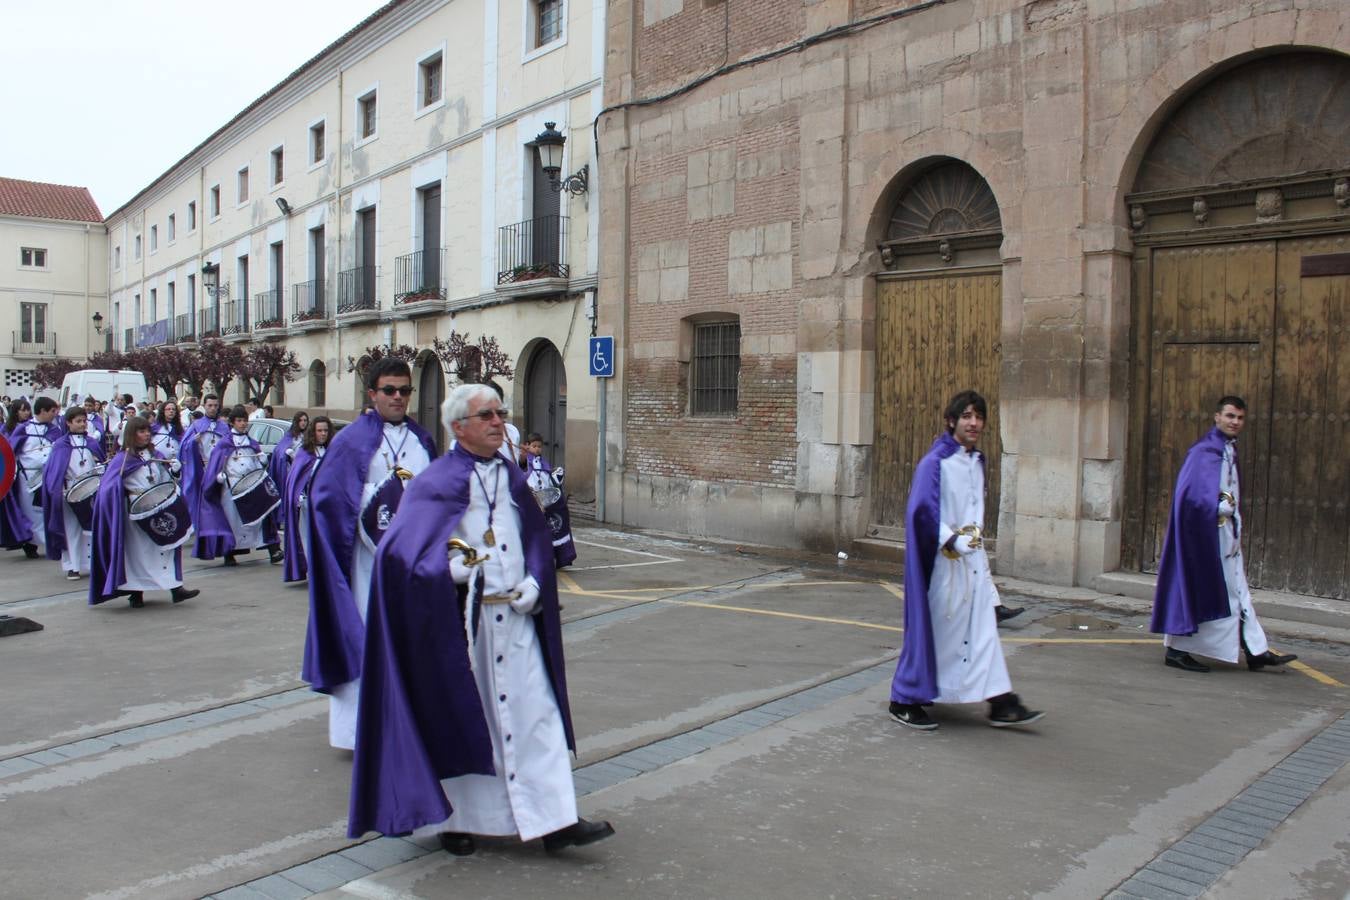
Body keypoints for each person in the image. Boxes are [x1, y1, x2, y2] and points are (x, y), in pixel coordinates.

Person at [348, 382, 614, 855]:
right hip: (462, 630)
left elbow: (535, 537)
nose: (498, 422)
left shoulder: (511, 475)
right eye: (486, 415)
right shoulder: (435, 481)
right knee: (466, 721)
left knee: (538, 717)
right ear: (458, 427)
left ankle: (555, 820)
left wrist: (536, 579)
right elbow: (400, 554)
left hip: (515, 622)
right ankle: (456, 820)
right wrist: (451, 570)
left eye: (499, 413)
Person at [888, 390, 1044, 731]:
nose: (974, 423)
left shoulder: (976, 461)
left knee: (983, 631)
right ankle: (903, 697)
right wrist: (952, 539)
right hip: (945, 564)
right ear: (952, 421)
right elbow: (922, 510)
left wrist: (973, 542)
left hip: (972, 562)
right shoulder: (935, 462)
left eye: (979, 416)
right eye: (967, 416)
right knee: (939, 634)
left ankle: (1002, 702)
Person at [303, 358, 437, 750]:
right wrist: (379, 499)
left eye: (405, 390)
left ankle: (409, 725)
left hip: (412, 561)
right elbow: (326, 498)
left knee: (409, 641)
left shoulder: (422, 439)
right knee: (365, 638)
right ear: (372, 394)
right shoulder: (351, 440)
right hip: (366, 561)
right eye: (390, 390)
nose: (399, 397)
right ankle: (358, 731)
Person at [1150, 396, 1298, 674]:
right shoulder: (1204, 451)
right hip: (1206, 536)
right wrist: (1219, 506)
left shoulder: (1227, 451)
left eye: (1240, 418)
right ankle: (1177, 650)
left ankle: (1255, 650)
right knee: (1212, 590)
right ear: (1217, 417)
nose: (1235, 422)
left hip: (1224, 535)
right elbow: (1190, 497)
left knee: (1239, 592)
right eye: (1230, 416)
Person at [88, 416, 198, 608]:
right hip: (136, 515)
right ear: (132, 434)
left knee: (168, 548)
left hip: (160, 508)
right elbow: (107, 488)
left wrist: (175, 471)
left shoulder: (156, 454)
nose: (146, 434)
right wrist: (119, 491)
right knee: (137, 555)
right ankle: (136, 593)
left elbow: (166, 478)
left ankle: (176, 588)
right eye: (141, 431)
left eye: (148, 430)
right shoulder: (122, 460)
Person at [198, 405, 283, 566]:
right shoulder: (224, 444)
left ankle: (274, 550)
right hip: (231, 487)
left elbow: (259, 464)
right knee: (233, 522)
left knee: (263, 516)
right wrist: (219, 477)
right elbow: (215, 466)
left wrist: (263, 461)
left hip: (252, 486)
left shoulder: (253, 443)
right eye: (239, 421)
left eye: (245, 420)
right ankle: (229, 553)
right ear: (232, 423)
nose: (243, 424)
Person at [42, 407, 107, 579]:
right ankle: (73, 565)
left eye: (84, 421)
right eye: (78, 421)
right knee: (71, 530)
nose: (82, 424)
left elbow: (101, 463)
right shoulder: (60, 445)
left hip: (91, 491)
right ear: (68, 423)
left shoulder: (92, 442)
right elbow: (54, 471)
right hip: (68, 493)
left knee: (92, 530)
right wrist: (58, 490)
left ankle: (94, 564)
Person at [5, 397, 62, 558]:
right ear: (43, 411)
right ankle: (30, 543)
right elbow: (11, 453)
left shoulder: (54, 430)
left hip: (48, 476)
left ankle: (51, 542)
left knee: (47, 510)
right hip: (26, 477)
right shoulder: (23, 429)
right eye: (52, 411)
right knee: (30, 511)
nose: (55, 414)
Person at [282, 416, 330, 583]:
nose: (323, 434)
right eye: (319, 430)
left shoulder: (332, 451)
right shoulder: (304, 453)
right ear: (313, 432)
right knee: (309, 538)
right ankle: (313, 570)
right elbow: (295, 480)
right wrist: (300, 496)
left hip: (327, 505)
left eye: (325, 430)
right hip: (308, 504)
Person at [179, 394, 230, 541]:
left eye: (215, 405)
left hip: (221, 471)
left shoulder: (224, 427)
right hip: (203, 470)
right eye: (210, 405)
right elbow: (184, 447)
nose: (213, 408)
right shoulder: (196, 425)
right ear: (204, 406)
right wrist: (193, 443)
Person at [523, 433, 577, 568]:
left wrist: (555, 478)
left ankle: (555, 557)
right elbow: (522, 473)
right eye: (534, 446)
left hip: (546, 502)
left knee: (553, 528)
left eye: (539, 447)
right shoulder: (525, 462)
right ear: (527, 446)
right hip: (532, 502)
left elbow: (549, 481)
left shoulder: (544, 463)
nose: (537, 449)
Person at [1, 399, 40, 557]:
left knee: (31, 509)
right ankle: (25, 541)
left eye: (27, 410)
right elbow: (5, 451)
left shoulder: (32, 427)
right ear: (15, 411)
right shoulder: (7, 428)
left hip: (27, 473)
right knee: (17, 508)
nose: (26, 413)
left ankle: (31, 541)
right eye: (22, 410)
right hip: (13, 475)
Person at [268, 411, 308, 512]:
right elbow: (279, 449)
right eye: (301, 420)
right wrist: (288, 451)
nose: (303, 422)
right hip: (292, 468)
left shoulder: (308, 436)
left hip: (306, 468)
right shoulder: (290, 435)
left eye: (305, 420)